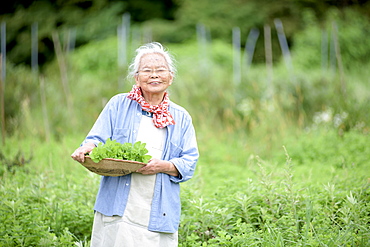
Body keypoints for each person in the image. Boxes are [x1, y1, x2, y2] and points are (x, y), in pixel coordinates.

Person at [71, 42, 199, 246]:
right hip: (118, 205)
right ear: (137, 78)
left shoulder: (181, 117)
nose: (154, 75)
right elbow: (95, 139)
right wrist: (87, 148)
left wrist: (163, 166)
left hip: (159, 210)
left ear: (171, 77)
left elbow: (190, 162)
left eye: (160, 70)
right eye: (147, 70)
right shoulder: (118, 105)